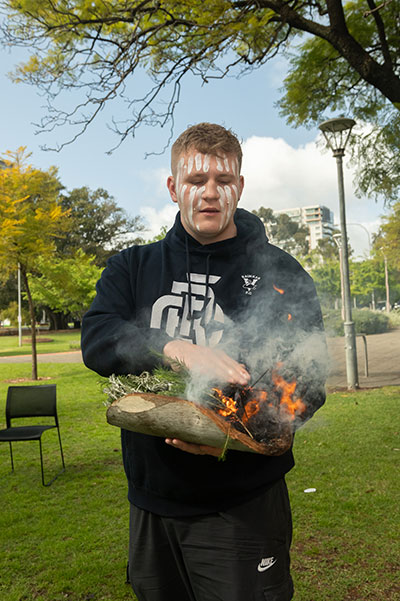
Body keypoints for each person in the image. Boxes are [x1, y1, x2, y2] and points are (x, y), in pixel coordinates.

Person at [81, 122, 327, 601]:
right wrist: (174, 347)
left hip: (243, 506)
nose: (210, 193)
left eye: (223, 180)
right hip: (152, 504)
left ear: (240, 186)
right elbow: (97, 339)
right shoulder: (132, 268)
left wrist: (227, 436)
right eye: (196, 181)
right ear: (174, 188)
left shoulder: (281, 274)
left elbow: (309, 385)